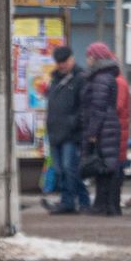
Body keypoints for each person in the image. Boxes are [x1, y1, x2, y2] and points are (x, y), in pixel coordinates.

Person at [79, 42, 125, 216]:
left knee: (105, 167)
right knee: (104, 166)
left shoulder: (101, 78)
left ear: (96, 57)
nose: (87, 60)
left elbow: (98, 108)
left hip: (103, 127)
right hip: (108, 126)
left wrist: (92, 133)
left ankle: (106, 206)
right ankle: (107, 205)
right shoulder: (104, 76)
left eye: (89, 56)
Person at [45, 46, 89, 214]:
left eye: (64, 62)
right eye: (59, 62)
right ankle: (75, 201)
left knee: (69, 168)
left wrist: (73, 123)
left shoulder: (80, 78)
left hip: (71, 134)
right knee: (60, 169)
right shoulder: (55, 79)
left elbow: (83, 107)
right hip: (55, 131)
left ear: (72, 59)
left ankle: (70, 201)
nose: (61, 65)